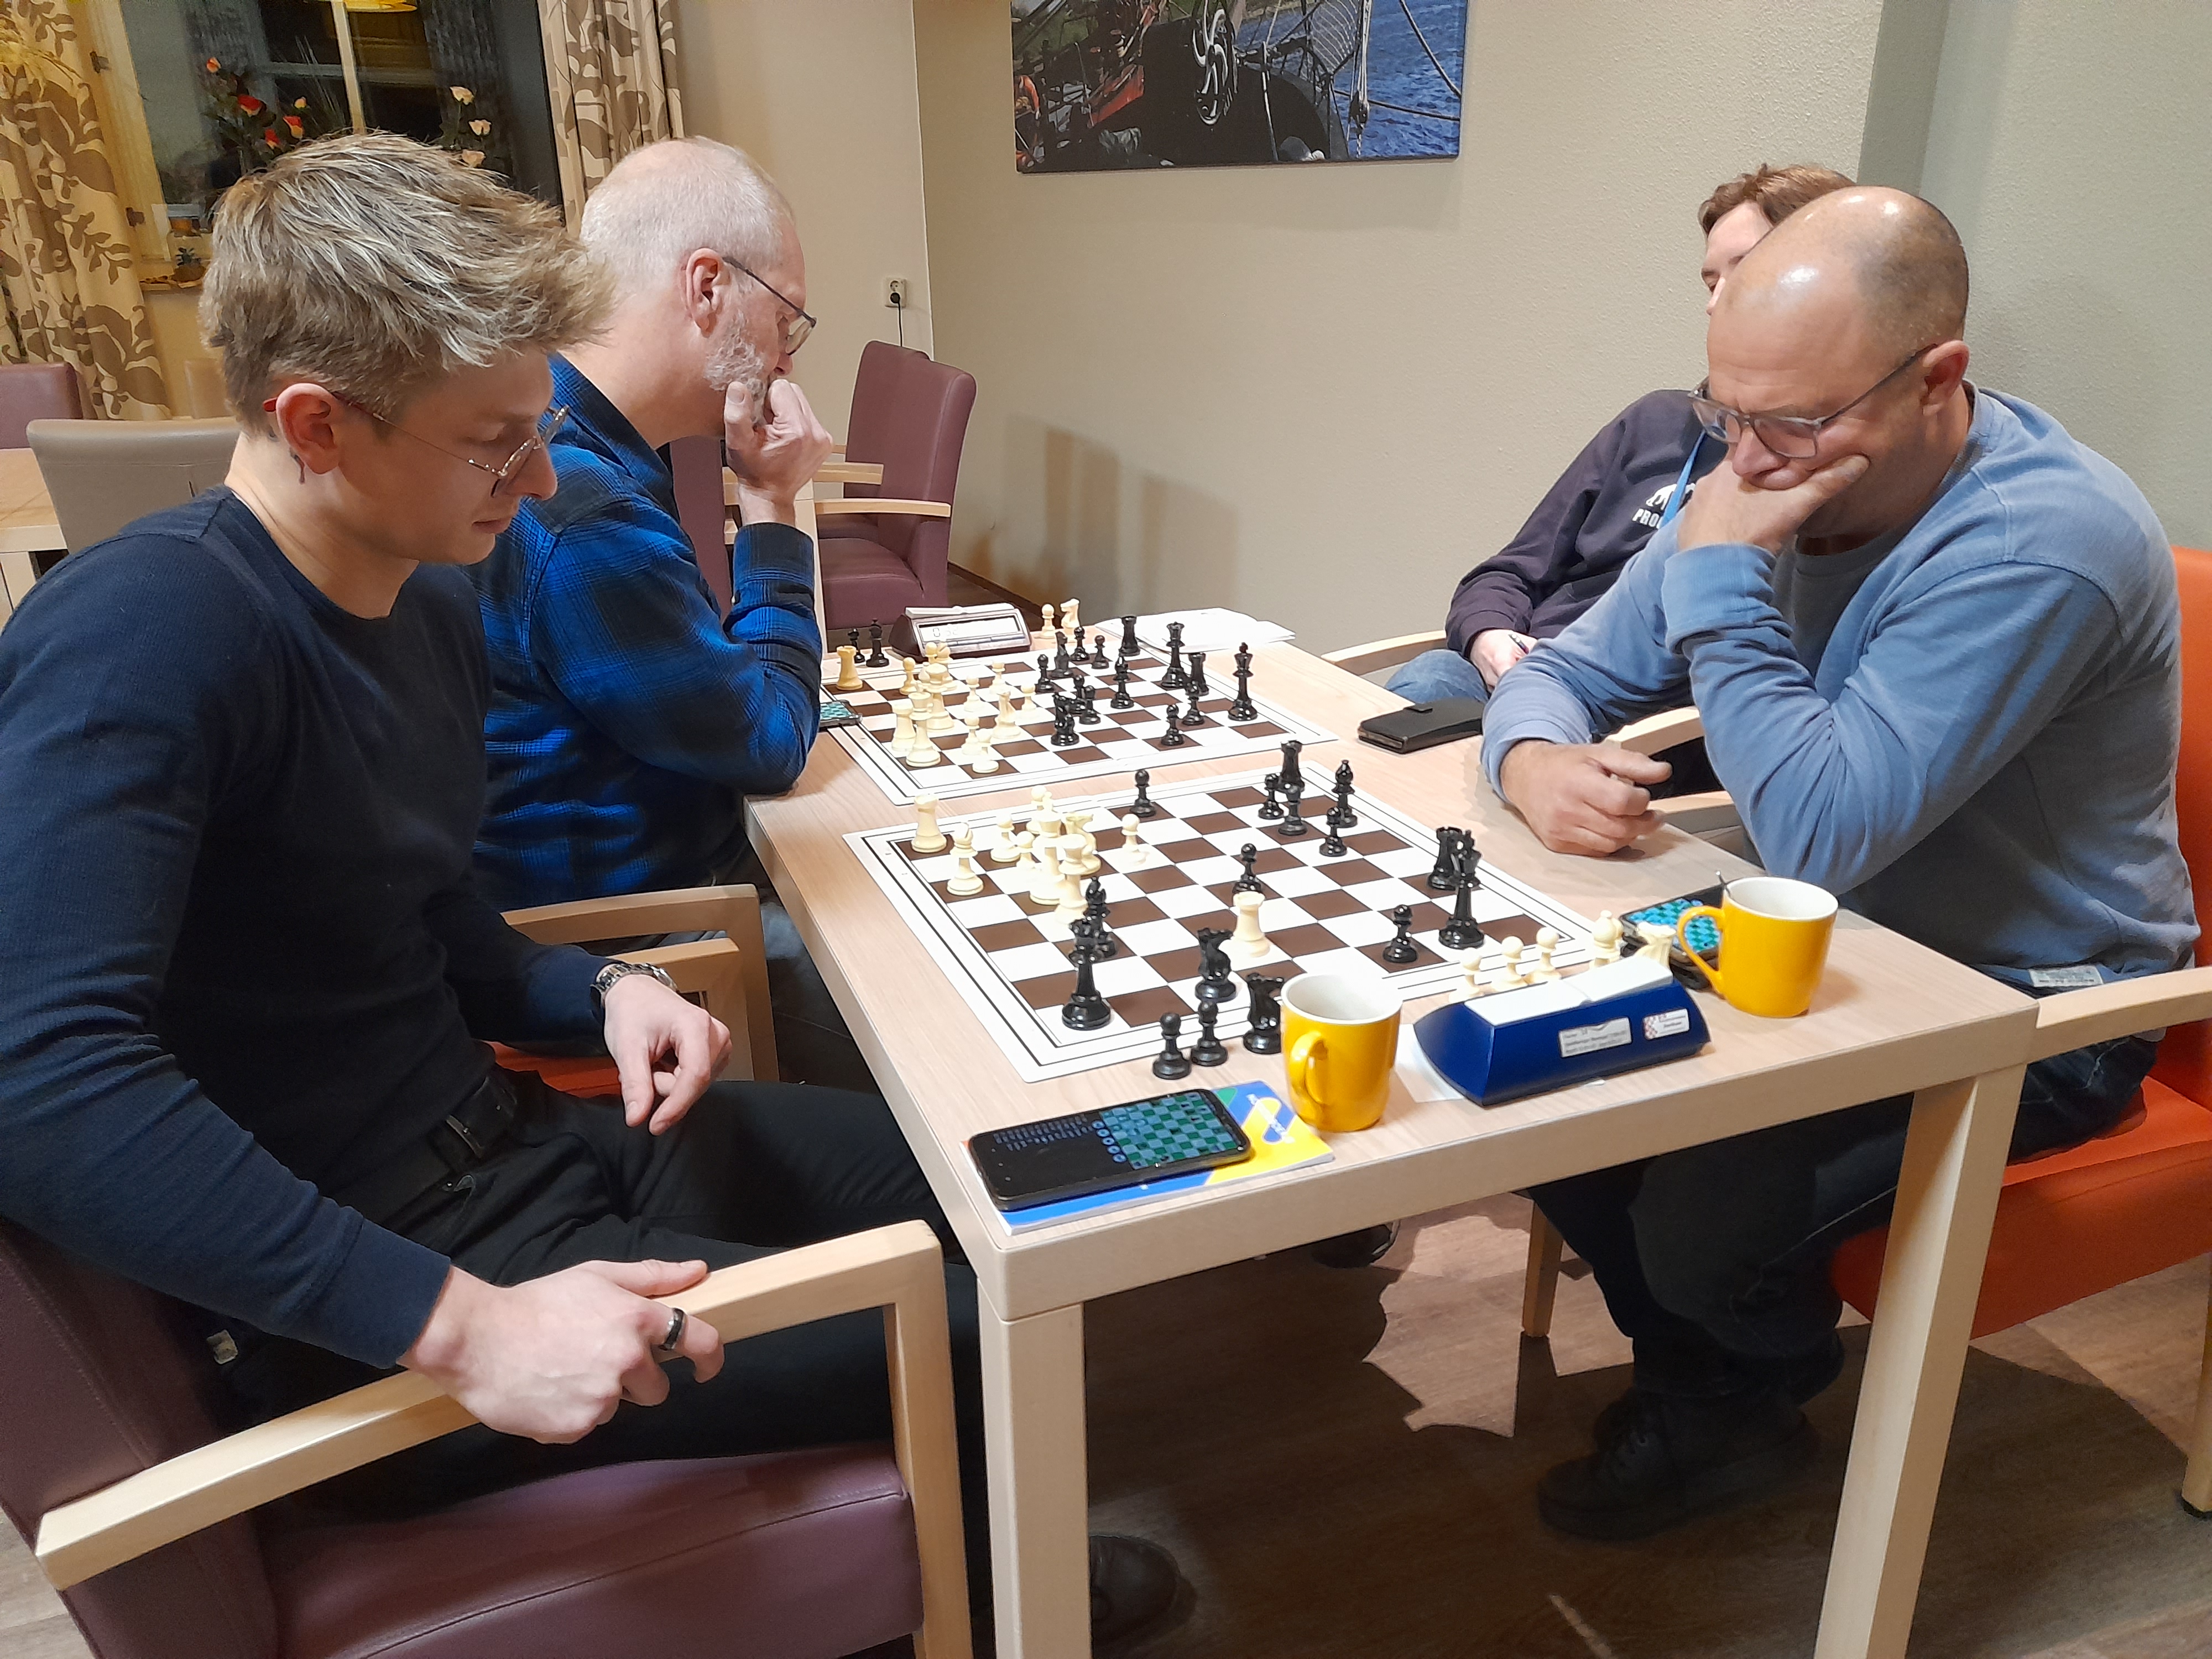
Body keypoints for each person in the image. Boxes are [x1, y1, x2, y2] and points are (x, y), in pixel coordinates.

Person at [0, 134, 1178, 1644]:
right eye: (498, 442)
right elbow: (40, 1081)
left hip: (528, 1149)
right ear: (316, 423)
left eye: (541, 428)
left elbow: (425, 912)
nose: (546, 477)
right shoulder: (145, 635)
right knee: (966, 1330)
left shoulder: (423, 601)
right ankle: (989, 1606)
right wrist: (461, 1329)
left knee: (994, 1174)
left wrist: (598, 988)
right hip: (374, 1297)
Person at [1480, 186, 2193, 1538]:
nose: (1748, 461)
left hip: (2040, 1004)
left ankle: (1739, 1382)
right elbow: (1560, 673)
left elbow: (1818, 830)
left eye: (1797, 424)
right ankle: (1720, 1383)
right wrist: (1530, 762)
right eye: (1726, 414)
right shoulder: (1757, 461)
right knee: (1531, 1085)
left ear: (1936, 377)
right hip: (1834, 948)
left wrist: (1714, 581)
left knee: (1696, 1217)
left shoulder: (2040, 543)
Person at [467, 137, 863, 1088]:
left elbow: (715, 684)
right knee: (943, 998)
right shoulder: (579, 504)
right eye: (788, 319)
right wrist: (772, 502)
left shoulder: (560, 434)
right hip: (644, 939)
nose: (786, 357)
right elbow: (770, 742)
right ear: (707, 287)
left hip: (627, 888)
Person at [1387, 164, 1853, 710]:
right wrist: (1490, 637)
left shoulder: (1830, 462)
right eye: (1711, 283)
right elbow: (1510, 572)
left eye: (1748, 272)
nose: (1716, 304)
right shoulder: (1657, 421)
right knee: (1433, 678)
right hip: (1532, 669)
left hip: (1638, 714)